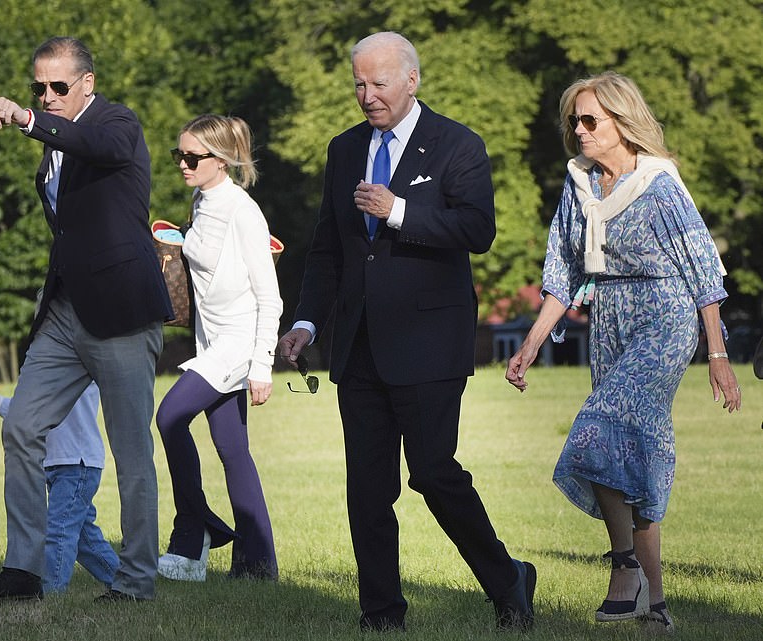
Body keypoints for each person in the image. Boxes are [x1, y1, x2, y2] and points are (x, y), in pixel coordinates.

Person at [277, 32, 536, 632]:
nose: (368, 96)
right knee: (367, 489)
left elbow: (477, 229)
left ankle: (508, 581)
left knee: (434, 473)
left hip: (429, 344)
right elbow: (326, 247)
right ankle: (382, 613)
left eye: (379, 83)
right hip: (359, 347)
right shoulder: (343, 150)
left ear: (411, 80)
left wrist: (396, 210)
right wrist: (307, 320)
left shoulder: (457, 145)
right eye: (359, 85)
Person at [505, 71, 741, 633]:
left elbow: (703, 270)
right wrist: (532, 344)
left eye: (591, 120)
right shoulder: (578, 185)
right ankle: (654, 601)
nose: (580, 131)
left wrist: (717, 354)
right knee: (630, 453)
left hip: (665, 315)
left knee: (599, 429)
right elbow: (562, 272)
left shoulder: (659, 184)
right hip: (609, 316)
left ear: (621, 122)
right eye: (574, 121)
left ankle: (624, 566)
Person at [0, 36, 172, 603]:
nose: (48, 96)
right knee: (21, 427)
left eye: (58, 86)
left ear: (87, 84)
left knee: (131, 454)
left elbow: (93, 145)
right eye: (39, 88)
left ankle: (135, 583)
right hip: (64, 314)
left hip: (121, 312)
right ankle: (24, 574)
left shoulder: (117, 124)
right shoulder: (54, 142)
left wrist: (29, 118)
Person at [154, 114, 283, 582]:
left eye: (192, 157)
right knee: (232, 449)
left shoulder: (242, 211)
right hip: (209, 341)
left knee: (168, 417)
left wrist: (262, 365)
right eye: (178, 155)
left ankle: (195, 528)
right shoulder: (201, 200)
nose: (183, 164)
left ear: (222, 159)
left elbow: (270, 296)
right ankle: (258, 564)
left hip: (235, 345)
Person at [0, 382, 119, 594]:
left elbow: (49, 405)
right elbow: (30, 411)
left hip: (78, 462)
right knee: (84, 537)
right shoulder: (48, 366)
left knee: (59, 531)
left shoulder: (83, 363)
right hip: (56, 462)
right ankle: (123, 582)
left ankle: (50, 593)